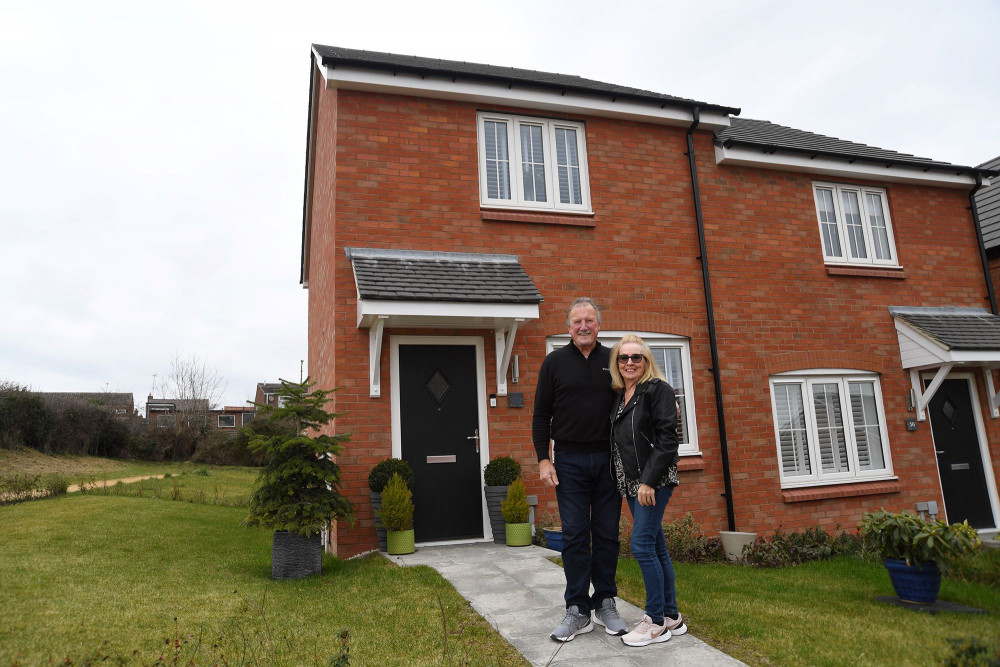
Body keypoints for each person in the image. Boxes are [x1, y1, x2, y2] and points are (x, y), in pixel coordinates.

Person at [532, 297, 627, 641]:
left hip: (607, 460)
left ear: (598, 326)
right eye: (577, 322)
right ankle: (577, 609)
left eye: (589, 320)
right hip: (568, 462)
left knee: (606, 534)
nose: (583, 326)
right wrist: (544, 459)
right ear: (569, 328)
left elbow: (635, 395)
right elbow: (541, 414)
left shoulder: (614, 360)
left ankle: (605, 601)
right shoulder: (554, 362)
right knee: (574, 535)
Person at [608, 333, 687, 647]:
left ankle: (655, 622)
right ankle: (671, 615)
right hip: (630, 481)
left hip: (651, 482)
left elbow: (668, 440)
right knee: (655, 546)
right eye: (623, 358)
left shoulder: (658, 390)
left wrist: (648, 481)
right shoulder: (621, 394)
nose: (630, 363)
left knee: (641, 545)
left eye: (636, 357)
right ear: (617, 363)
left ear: (646, 361)